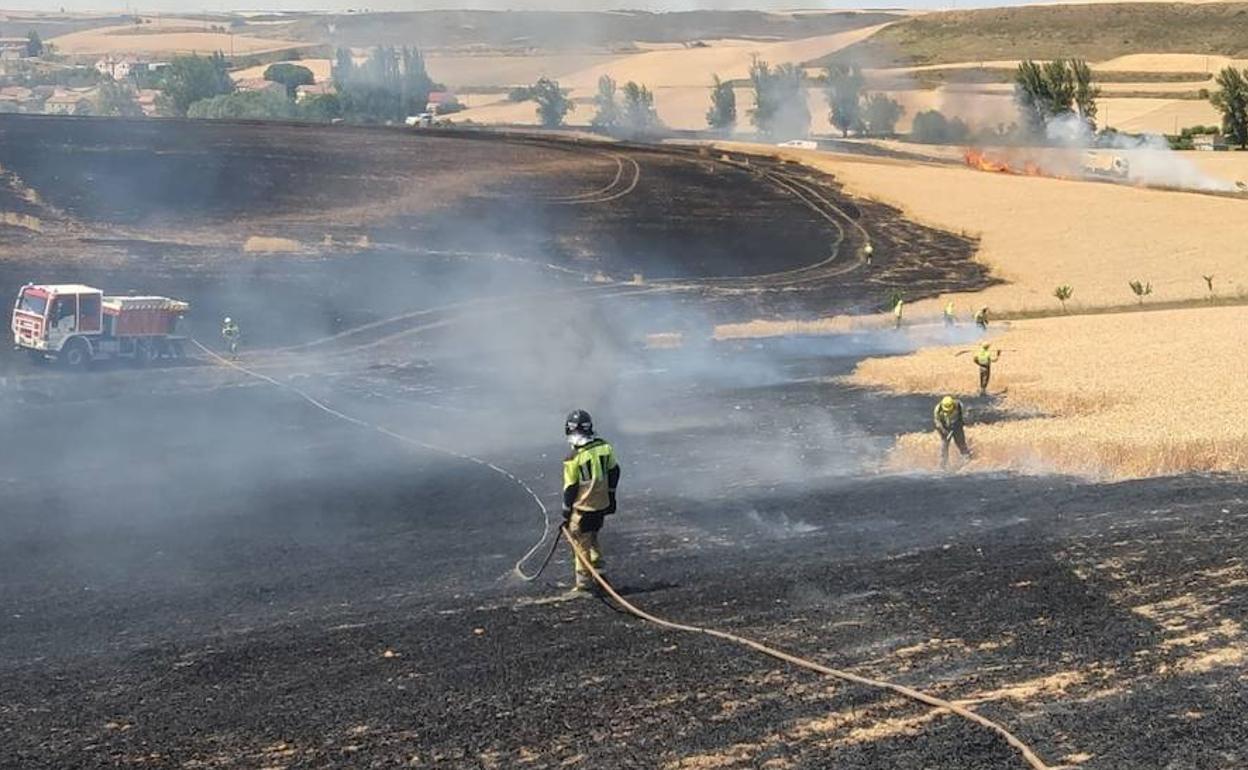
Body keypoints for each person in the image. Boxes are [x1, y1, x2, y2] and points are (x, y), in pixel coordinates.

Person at [561, 410, 621, 594]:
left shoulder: (573, 458)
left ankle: (584, 583)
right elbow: (615, 471)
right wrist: (611, 496)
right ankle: (601, 575)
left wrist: (566, 511)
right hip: (601, 505)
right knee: (593, 537)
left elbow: (571, 487)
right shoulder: (605, 447)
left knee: (580, 542)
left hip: (582, 507)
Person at [933, 395, 972, 470]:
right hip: (945, 428)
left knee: (961, 443)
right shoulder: (938, 409)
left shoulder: (959, 405)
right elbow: (937, 422)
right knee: (944, 447)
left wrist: (960, 423)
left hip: (957, 426)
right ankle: (943, 465)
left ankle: (967, 460)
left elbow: (964, 416)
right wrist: (943, 430)